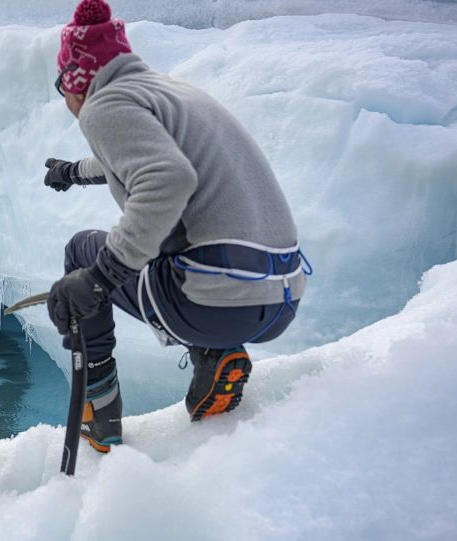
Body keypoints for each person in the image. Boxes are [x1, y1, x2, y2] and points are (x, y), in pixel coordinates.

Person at [44, 0, 309, 453]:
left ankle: (100, 413)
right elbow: (136, 156)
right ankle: (216, 353)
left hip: (217, 303)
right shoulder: (171, 92)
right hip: (278, 298)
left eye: (60, 86)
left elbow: (168, 177)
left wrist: (99, 278)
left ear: (75, 82)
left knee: (82, 253)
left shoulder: (103, 105)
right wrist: (73, 172)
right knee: (177, 250)